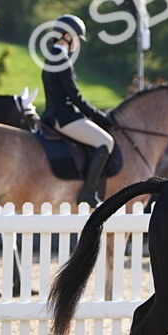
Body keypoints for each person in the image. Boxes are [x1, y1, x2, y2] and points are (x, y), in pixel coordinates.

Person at [41, 14, 116, 207]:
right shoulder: (63, 59)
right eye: (76, 38)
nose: (78, 43)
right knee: (106, 141)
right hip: (64, 117)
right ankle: (88, 192)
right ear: (67, 36)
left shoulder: (51, 55)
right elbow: (75, 97)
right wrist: (100, 116)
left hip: (53, 114)